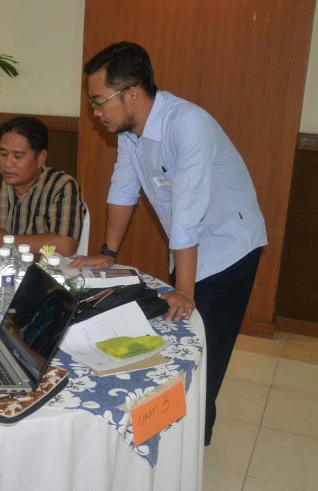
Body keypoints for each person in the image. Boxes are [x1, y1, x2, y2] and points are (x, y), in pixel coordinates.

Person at [73, 41, 267, 445]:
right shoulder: (131, 131)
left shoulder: (187, 123)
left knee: (202, 357)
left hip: (230, 248)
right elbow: (123, 190)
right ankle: (174, 436)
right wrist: (109, 253)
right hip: (192, 249)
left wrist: (184, 289)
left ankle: (194, 444)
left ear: (132, 93)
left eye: (98, 101)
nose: (95, 112)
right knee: (179, 347)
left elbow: (188, 212)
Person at [0, 116, 85, 258]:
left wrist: (6, 242)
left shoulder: (61, 186)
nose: (7, 163)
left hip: (40, 272)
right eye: (3, 154)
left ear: (41, 158)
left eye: (17, 156)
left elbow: (65, 246)